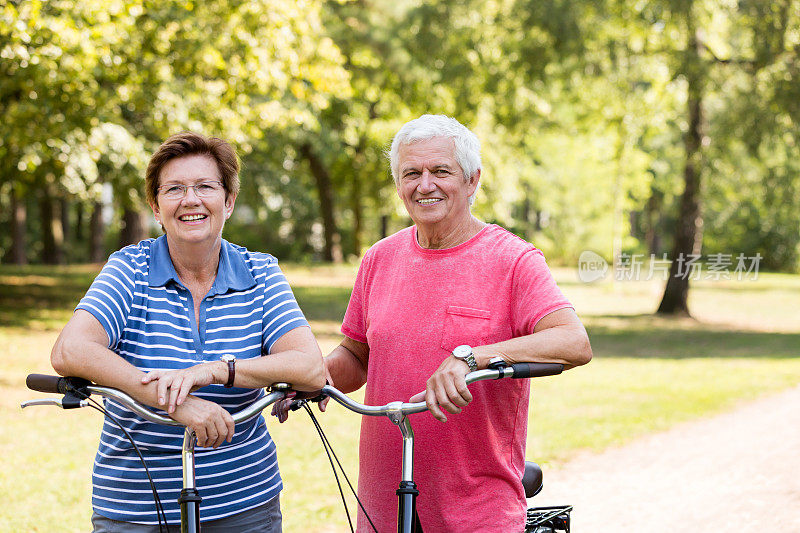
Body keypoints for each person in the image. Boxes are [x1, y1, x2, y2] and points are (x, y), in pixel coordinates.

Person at [323, 115, 592, 532]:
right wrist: (311, 377)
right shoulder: (379, 258)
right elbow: (356, 357)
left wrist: (472, 357)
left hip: (475, 507)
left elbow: (573, 342)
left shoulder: (513, 260)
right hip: (382, 502)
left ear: (472, 180)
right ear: (398, 184)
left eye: (440, 171)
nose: (424, 185)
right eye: (411, 173)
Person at [50, 131, 325, 532]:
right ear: (156, 207)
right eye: (174, 189)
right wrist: (174, 403)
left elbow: (310, 367)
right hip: (137, 506)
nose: (190, 200)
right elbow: (70, 350)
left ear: (228, 201)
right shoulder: (131, 268)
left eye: (205, 187)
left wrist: (213, 370)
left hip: (244, 504)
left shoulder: (260, 272)